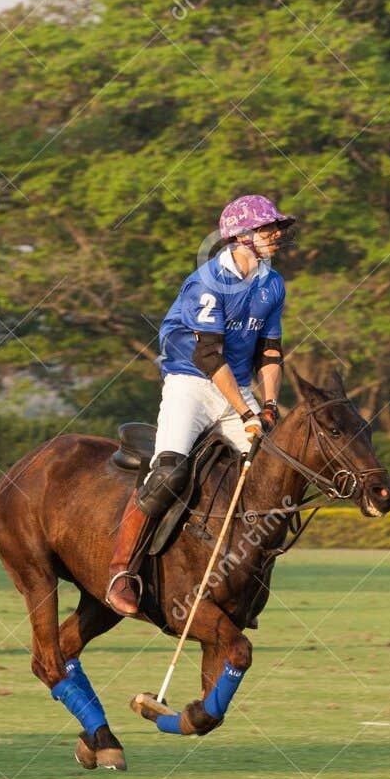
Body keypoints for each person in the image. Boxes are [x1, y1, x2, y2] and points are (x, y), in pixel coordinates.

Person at [103, 195, 293, 616]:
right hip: (190, 382)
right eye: (266, 229)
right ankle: (122, 571)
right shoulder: (207, 281)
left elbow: (271, 352)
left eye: (277, 227)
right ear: (240, 237)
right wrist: (245, 414)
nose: (276, 234)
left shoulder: (272, 283)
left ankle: (243, 574)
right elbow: (208, 356)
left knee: (270, 471)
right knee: (169, 471)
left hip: (237, 386)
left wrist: (268, 405)